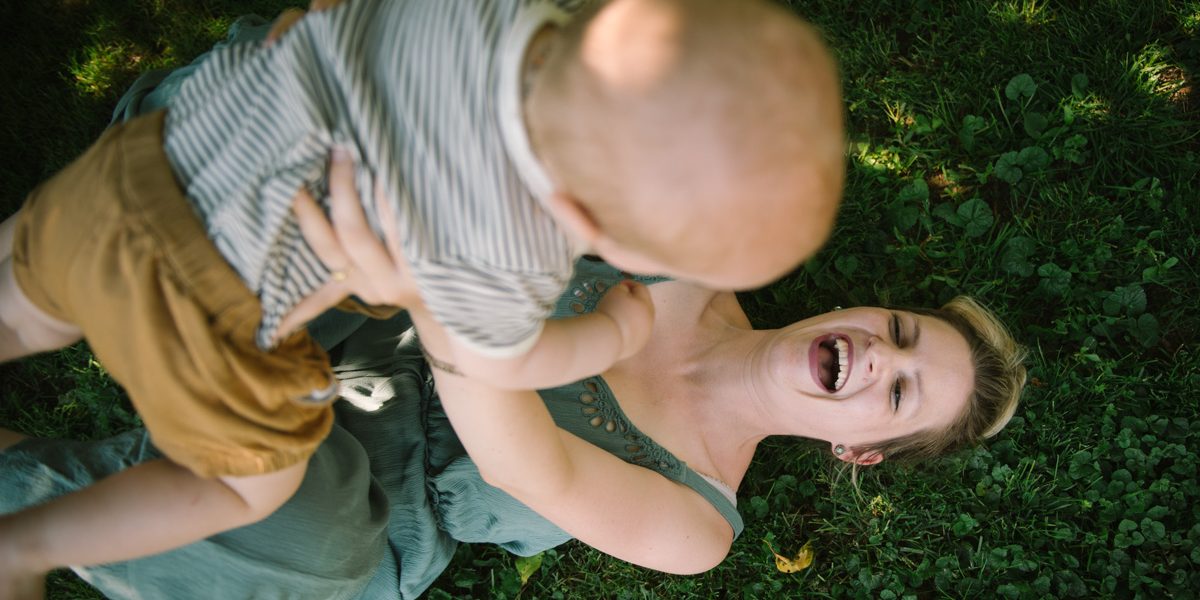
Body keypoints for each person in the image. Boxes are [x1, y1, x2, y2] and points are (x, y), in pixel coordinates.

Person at [0, 0, 846, 592]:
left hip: (143, 175)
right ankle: (27, 544)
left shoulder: (474, 16)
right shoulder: (501, 238)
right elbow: (503, 354)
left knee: (20, 301)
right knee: (245, 486)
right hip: (211, 321)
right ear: (589, 218)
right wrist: (615, 333)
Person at [0, 256, 1027, 599]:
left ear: (861, 450)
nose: (880, 358)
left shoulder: (698, 524)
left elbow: (515, 456)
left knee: (315, 546)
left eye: (901, 393)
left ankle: (29, 500)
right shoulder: (698, 264)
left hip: (365, 503)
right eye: (901, 335)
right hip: (360, 319)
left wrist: (442, 281)